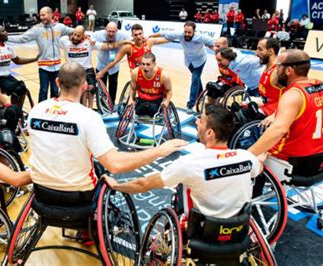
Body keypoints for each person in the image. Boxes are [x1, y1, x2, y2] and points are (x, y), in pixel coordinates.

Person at [27, 62, 187, 192]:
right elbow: (115, 164)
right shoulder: (89, 117)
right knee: (102, 171)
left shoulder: (35, 111)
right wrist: (159, 151)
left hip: (41, 189)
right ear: (84, 86)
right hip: (78, 193)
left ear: (57, 82)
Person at [105, 104, 265, 218]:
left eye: (200, 120)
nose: (196, 122)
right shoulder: (247, 158)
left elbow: (143, 184)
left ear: (209, 132)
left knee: (183, 189)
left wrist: (117, 186)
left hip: (202, 231)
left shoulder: (190, 163)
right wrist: (262, 156)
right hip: (238, 229)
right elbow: (259, 167)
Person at [249, 49, 323, 178]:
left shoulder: (293, 94)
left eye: (278, 66)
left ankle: (254, 192)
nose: (276, 70)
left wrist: (248, 154)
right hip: (322, 157)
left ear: (289, 70)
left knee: (257, 156)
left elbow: (278, 130)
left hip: (294, 161)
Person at [7, 6, 74, 102]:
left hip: (57, 66)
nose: (41, 17)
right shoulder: (37, 29)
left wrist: (83, 35)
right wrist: (7, 38)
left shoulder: (60, 27)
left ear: (51, 15)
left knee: (55, 90)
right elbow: (22, 38)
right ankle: (41, 112)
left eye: (44, 15)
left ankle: (53, 111)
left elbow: (74, 31)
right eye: (40, 15)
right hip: (44, 67)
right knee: (43, 90)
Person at [60, 26, 128, 108]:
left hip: (87, 70)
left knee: (91, 89)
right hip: (73, 70)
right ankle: (80, 108)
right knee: (78, 91)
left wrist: (125, 41)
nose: (75, 37)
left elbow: (109, 46)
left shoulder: (89, 43)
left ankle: (90, 109)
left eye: (78, 36)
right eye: (74, 34)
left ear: (83, 36)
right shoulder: (64, 40)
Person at [154, 21, 215, 113]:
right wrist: (149, 36)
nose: (187, 34)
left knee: (194, 79)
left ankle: (191, 104)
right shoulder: (180, 34)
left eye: (189, 32)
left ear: (194, 31)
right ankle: (201, 94)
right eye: (185, 31)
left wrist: (221, 51)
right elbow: (163, 33)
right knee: (196, 79)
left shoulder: (200, 37)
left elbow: (214, 43)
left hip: (200, 60)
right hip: (189, 61)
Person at [0, 25, 38, 107]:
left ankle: (18, 111)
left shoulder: (8, 47)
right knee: (17, 89)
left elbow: (17, 60)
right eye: (3, 31)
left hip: (7, 77)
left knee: (22, 89)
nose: (6, 33)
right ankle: (14, 112)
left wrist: (35, 59)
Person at [96, 24, 169, 79]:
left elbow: (168, 38)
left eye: (140, 34)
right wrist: (102, 72)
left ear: (143, 33)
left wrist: (150, 36)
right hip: (137, 76)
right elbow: (114, 61)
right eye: (135, 35)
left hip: (150, 74)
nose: (138, 36)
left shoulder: (149, 42)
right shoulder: (128, 47)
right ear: (132, 35)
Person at [92, 22, 130, 104]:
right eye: (109, 31)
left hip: (114, 67)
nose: (111, 33)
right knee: (101, 88)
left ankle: (112, 104)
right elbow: (88, 38)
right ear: (105, 29)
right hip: (101, 65)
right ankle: (101, 105)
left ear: (117, 30)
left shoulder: (122, 35)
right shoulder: (98, 34)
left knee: (113, 87)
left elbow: (131, 39)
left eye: (113, 31)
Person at [254, 38, 287, 126]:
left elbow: (293, 96)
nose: (256, 52)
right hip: (263, 109)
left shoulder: (277, 71)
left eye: (260, 49)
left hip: (271, 116)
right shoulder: (267, 67)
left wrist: (276, 114)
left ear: (271, 51)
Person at [128, 52, 172, 117]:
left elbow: (169, 91)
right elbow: (133, 88)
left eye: (148, 64)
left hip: (157, 99)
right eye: (143, 64)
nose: (145, 67)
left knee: (153, 112)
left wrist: (167, 101)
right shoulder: (135, 72)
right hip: (142, 98)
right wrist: (131, 99)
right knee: (137, 112)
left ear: (154, 64)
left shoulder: (164, 75)